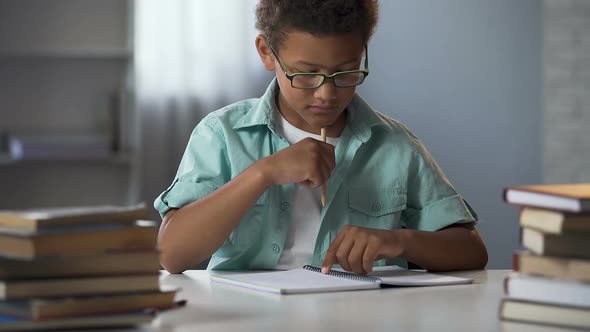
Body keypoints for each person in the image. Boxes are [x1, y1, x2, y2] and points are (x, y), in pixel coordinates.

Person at [155, 0, 488, 274]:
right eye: (306, 73)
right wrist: (263, 173)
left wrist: (398, 241)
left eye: (345, 71)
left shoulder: (394, 146)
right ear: (267, 53)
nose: (326, 93)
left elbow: (471, 251)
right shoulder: (222, 134)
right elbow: (172, 254)